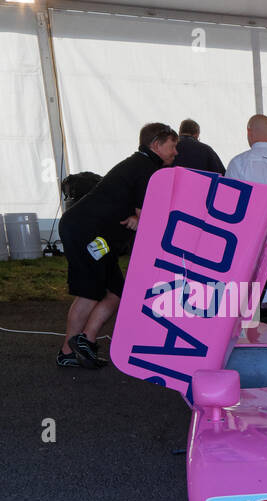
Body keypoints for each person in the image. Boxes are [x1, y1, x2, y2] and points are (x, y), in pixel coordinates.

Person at [56, 123, 178, 369]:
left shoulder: (143, 165)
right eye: (173, 146)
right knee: (91, 291)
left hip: (97, 235)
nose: (176, 152)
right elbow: (149, 217)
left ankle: (84, 344)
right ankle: (68, 350)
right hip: (85, 231)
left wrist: (139, 217)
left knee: (115, 292)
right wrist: (140, 217)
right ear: (156, 144)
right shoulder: (145, 168)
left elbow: (142, 215)